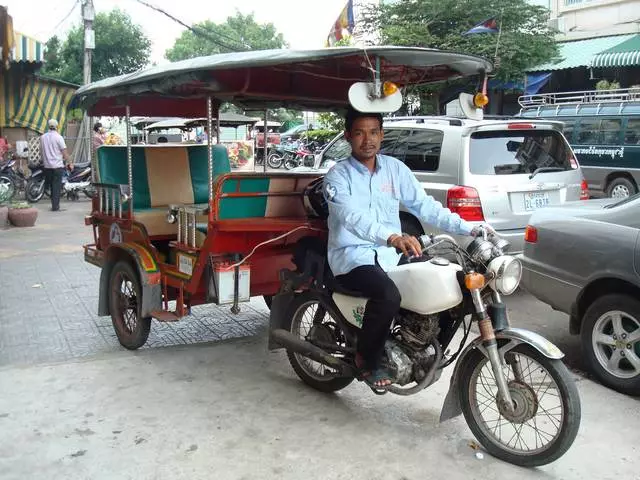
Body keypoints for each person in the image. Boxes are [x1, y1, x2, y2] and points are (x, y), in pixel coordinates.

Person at [323, 107, 493, 388]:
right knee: (388, 296)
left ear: (382, 134)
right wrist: (392, 237)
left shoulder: (394, 169)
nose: (368, 140)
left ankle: (417, 345)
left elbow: (425, 206)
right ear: (347, 137)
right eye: (360, 133)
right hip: (352, 256)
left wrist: (470, 228)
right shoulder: (337, 177)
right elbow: (351, 217)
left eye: (374, 132)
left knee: (448, 284)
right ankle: (366, 360)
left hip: (391, 256)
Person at [40, 119, 71, 212]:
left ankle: (54, 205)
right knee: (56, 187)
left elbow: (41, 151)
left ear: (48, 126)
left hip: (47, 166)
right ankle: (55, 207)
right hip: (57, 166)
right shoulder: (59, 137)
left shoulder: (43, 137)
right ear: (57, 127)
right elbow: (64, 152)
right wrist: (70, 162)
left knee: (52, 186)